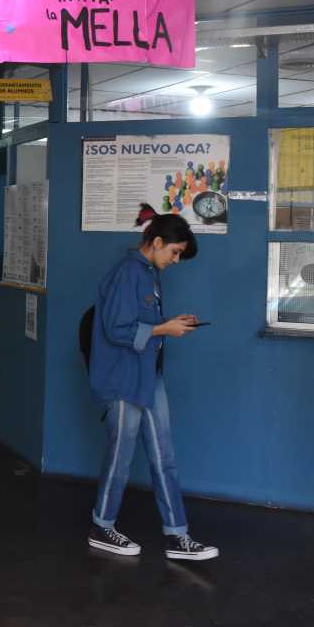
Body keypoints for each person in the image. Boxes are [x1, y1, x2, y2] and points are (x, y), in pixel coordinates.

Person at [86, 204, 218, 562]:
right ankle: (102, 526)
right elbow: (116, 329)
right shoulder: (128, 272)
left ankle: (178, 535)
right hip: (122, 378)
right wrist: (164, 328)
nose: (176, 260)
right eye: (175, 252)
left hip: (147, 376)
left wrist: (169, 323)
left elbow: (141, 320)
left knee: (164, 455)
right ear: (157, 241)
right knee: (121, 454)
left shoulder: (148, 273)